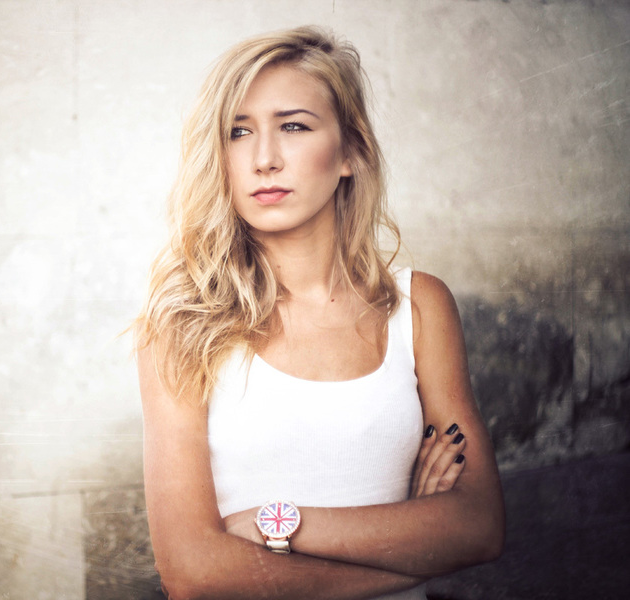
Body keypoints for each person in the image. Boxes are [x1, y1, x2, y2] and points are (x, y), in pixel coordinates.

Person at [135, 26, 504, 600]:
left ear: (351, 153)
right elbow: (193, 571)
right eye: (239, 132)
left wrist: (278, 524)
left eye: (293, 126)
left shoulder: (420, 308)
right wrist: (413, 558)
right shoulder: (182, 323)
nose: (263, 158)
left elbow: (479, 527)